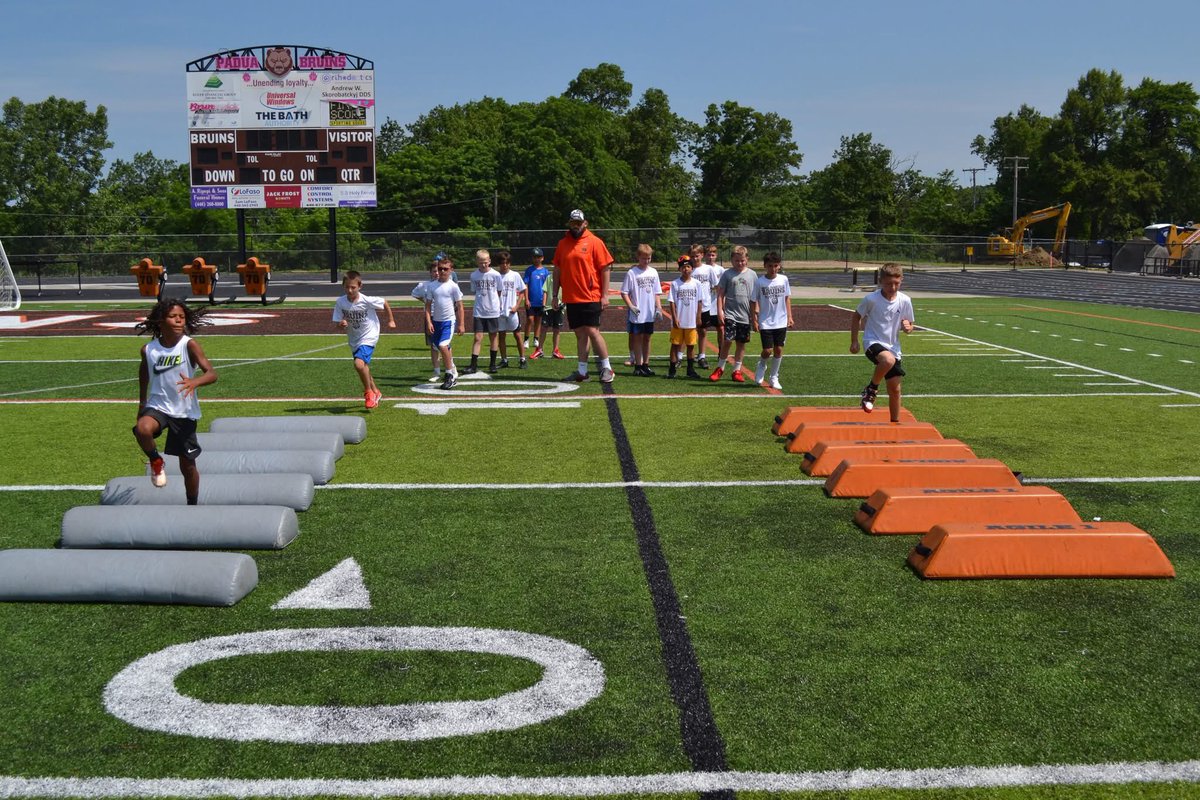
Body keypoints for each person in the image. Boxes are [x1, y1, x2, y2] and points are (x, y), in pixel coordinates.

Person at [132, 298, 218, 503]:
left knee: (187, 466)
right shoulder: (148, 350)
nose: (179, 320)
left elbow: (212, 373)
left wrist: (195, 382)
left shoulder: (189, 345)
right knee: (142, 429)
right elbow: (144, 373)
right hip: (158, 406)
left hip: (184, 411)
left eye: (182, 317)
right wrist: (142, 403)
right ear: (161, 321)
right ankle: (156, 461)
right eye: (173, 317)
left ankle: (192, 504)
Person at [551, 209, 615, 383]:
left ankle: (607, 368)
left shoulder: (595, 242)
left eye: (579, 223)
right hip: (572, 298)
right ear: (569, 223)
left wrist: (605, 295)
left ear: (585, 223)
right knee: (580, 334)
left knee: (593, 331)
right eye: (573, 223)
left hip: (591, 295)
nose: (576, 226)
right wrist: (555, 294)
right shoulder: (563, 243)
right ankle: (582, 371)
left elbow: (605, 268)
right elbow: (557, 270)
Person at [850, 262, 915, 420]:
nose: (892, 287)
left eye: (896, 284)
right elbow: (857, 316)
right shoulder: (871, 299)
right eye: (888, 284)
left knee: (895, 390)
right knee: (887, 360)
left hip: (893, 346)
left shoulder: (905, 300)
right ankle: (871, 390)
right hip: (872, 343)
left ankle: (895, 423)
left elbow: (910, 324)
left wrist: (908, 327)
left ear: (902, 280)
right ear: (881, 282)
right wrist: (854, 341)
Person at [332, 270, 396, 408]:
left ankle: (368, 393)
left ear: (360, 286)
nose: (349, 290)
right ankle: (376, 391)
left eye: (353, 287)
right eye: (347, 287)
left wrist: (391, 320)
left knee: (359, 364)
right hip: (354, 338)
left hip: (369, 335)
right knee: (363, 367)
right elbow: (337, 323)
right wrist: (341, 324)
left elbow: (384, 302)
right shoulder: (340, 302)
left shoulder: (366, 300)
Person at [710, 245, 756, 383]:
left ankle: (737, 370)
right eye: (737, 261)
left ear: (747, 259)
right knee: (728, 340)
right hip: (730, 314)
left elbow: (755, 296)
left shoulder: (752, 274)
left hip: (745, 316)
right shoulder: (727, 274)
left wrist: (755, 315)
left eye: (742, 260)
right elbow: (720, 294)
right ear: (732, 260)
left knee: (741, 344)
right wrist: (720, 311)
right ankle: (720, 368)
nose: (740, 263)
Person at [620, 243, 666, 376]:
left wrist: (659, 307)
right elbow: (624, 292)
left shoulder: (653, 272)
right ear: (638, 257)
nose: (646, 261)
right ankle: (638, 365)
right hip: (638, 313)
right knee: (637, 338)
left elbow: (657, 292)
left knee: (647, 338)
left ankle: (646, 365)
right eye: (644, 258)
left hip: (649, 313)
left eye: (649, 258)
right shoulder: (632, 273)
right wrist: (630, 306)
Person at [750, 252, 793, 391]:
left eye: (776, 266)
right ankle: (761, 365)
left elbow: (787, 298)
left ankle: (774, 377)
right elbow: (753, 301)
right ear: (765, 266)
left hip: (781, 320)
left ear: (779, 266)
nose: (773, 268)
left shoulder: (784, 279)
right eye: (770, 266)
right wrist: (754, 320)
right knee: (767, 350)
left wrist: (790, 317)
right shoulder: (760, 282)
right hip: (765, 321)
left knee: (779, 349)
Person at [424, 254, 466, 390]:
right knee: (439, 347)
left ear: (451, 270)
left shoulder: (453, 286)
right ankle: (453, 369)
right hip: (436, 322)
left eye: (445, 269)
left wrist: (461, 324)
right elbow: (428, 306)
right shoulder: (432, 286)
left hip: (448, 321)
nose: (442, 271)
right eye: (440, 269)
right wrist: (429, 322)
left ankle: (450, 376)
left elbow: (460, 306)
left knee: (443, 346)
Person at [465, 249, 502, 374]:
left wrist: (495, 304)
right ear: (477, 262)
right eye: (481, 262)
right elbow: (474, 290)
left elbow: (499, 291)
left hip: (493, 310)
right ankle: (473, 365)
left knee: (493, 336)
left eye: (486, 262)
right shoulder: (474, 275)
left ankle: (492, 364)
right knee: (478, 337)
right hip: (479, 310)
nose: (484, 265)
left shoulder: (496, 275)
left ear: (490, 261)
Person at [667, 253, 702, 379]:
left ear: (692, 268)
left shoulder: (697, 284)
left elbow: (699, 301)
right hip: (679, 320)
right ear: (679, 269)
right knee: (675, 345)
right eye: (683, 267)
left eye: (688, 266)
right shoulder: (675, 284)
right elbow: (671, 302)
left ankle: (690, 369)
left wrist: (698, 317)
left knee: (691, 345)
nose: (686, 269)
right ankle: (672, 369)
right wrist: (674, 318)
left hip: (691, 321)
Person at [494, 249, 528, 369]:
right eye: (502, 263)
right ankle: (504, 360)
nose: (504, 265)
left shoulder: (515, 275)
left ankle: (522, 359)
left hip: (512, 311)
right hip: (499, 312)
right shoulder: (495, 276)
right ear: (499, 264)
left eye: (507, 263)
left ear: (510, 263)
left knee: (517, 335)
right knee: (501, 335)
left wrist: (517, 306)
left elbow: (523, 291)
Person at [693, 244, 724, 369]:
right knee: (699, 330)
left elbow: (720, 288)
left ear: (716, 256)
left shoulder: (720, 270)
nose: (710, 257)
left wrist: (722, 305)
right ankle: (697, 355)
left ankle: (721, 353)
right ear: (704, 255)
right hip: (703, 306)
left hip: (715, 305)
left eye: (713, 255)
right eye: (708, 255)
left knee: (720, 328)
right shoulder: (694, 268)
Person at [411, 254, 442, 382]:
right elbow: (414, 293)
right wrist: (425, 301)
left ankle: (451, 369)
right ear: (430, 272)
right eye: (434, 271)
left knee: (445, 345)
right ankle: (437, 371)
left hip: (444, 317)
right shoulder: (424, 285)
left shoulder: (446, 284)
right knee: (433, 345)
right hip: (430, 317)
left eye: (439, 270)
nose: (436, 273)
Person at [523, 247, 551, 358]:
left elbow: (547, 287)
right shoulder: (529, 270)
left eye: (538, 257)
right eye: (535, 257)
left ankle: (536, 338)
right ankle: (526, 339)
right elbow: (526, 285)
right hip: (531, 300)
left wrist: (546, 300)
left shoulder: (545, 271)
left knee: (539, 321)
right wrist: (526, 298)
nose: (536, 259)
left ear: (542, 258)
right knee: (530, 319)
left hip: (541, 301)